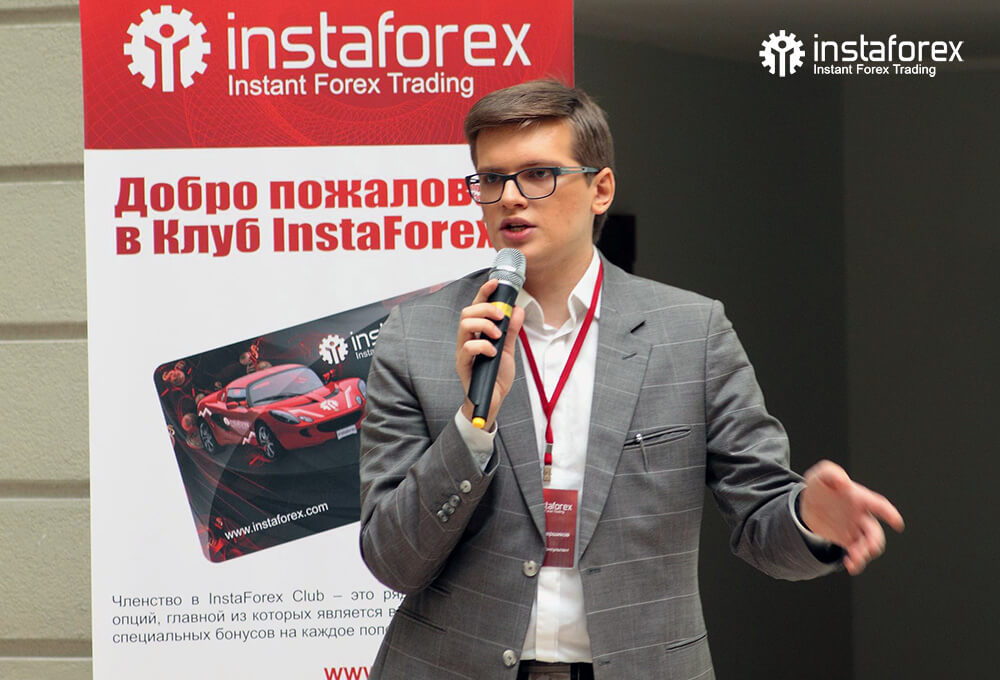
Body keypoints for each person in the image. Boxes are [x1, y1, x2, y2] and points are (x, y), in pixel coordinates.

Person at [359, 80, 903, 680]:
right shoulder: (418, 335)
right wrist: (472, 424)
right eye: (491, 179)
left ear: (601, 189)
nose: (510, 197)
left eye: (538, 174)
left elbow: (761, 521)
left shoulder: (692, 333)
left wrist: (809, 519)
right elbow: (391, 559)